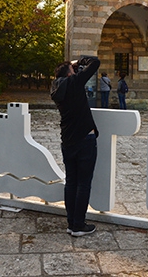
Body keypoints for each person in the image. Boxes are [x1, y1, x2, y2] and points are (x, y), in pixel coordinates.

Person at [50, 56, 100, 237]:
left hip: (67, 140)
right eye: (73, 70)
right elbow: (95, 62)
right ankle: (79, 225)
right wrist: (79, 61)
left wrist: (71, 68)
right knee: (83, 183)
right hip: (84, 139)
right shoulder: (74, 83)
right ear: (69, 73)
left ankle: (71, 223)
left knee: (71, 182)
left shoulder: (56, 88)